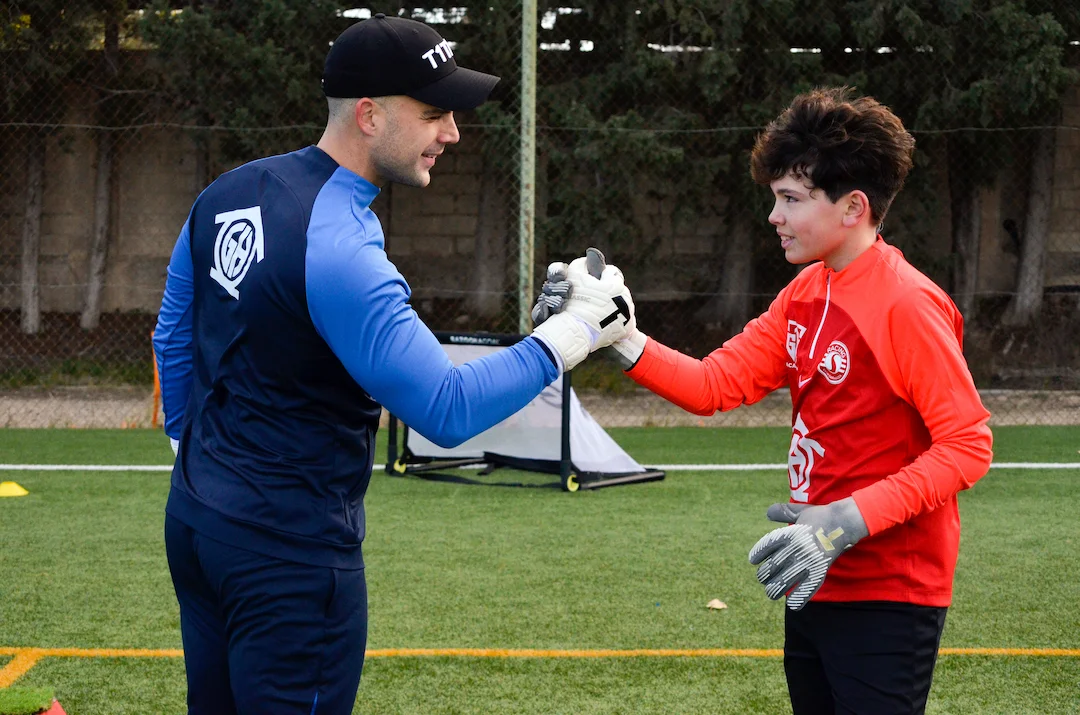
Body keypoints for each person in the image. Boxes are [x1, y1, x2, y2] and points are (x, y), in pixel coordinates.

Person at [152, 14, 633, 715]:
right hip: (289, 554)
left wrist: (194, 453)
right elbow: (445, 406)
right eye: (435, 112)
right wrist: (575, 334)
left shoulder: (227, 190)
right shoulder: (342, 245)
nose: (453, 132)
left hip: (197, 523)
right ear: (370, 115)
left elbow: (172, 332)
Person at [539, 87, 993, 714]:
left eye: (790, 200)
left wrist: (844, 523)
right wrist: (619, 336)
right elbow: (713, 385)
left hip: (890, 589)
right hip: (813, 574)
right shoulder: (806, 291)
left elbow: (967, 447)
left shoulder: (907, 304)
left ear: (853, 207)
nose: (774, 216)